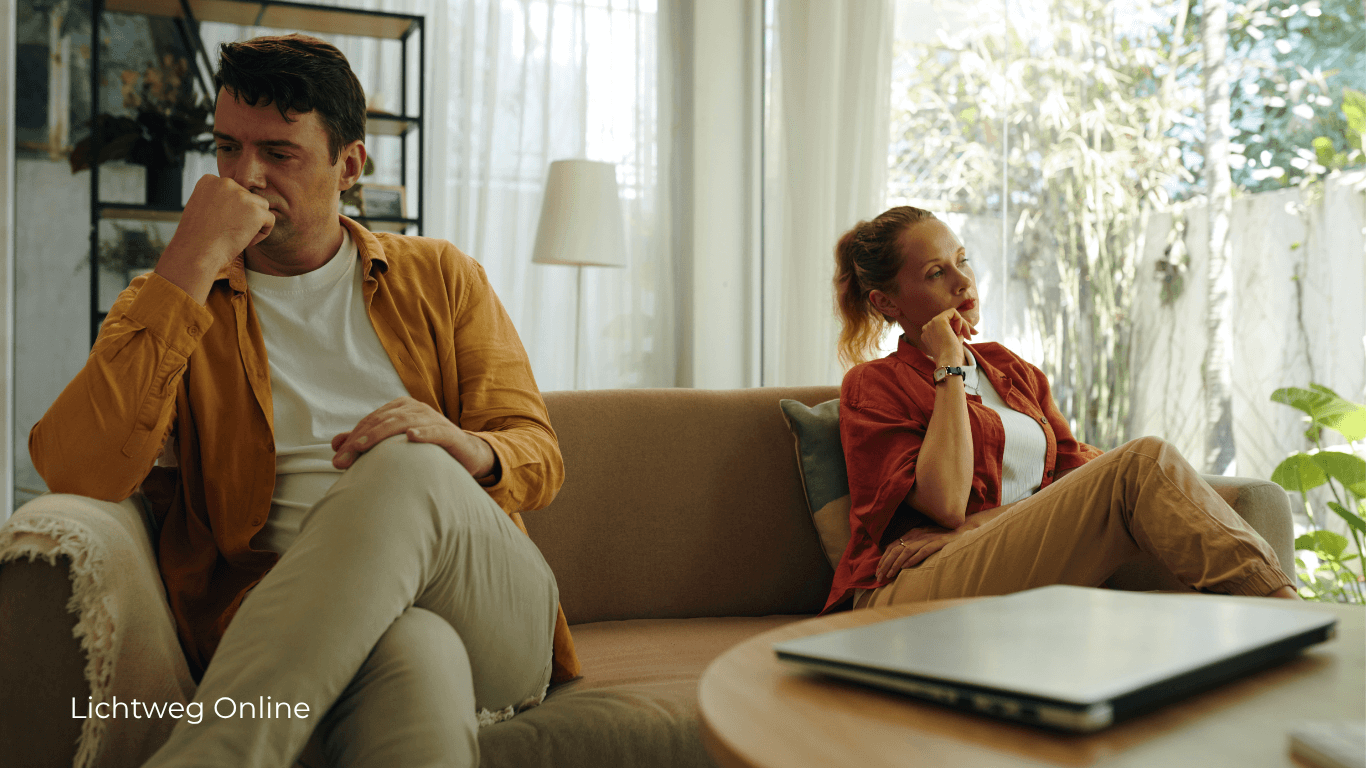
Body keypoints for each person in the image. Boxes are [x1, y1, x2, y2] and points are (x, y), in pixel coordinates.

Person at [30, 34, 579, 767]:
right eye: (227, 148)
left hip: (487, 604)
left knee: (403, 464)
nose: (244, 176)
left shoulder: (442, 277)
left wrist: (462, 446)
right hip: (289, 617)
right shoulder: (174, 303)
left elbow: (538, 454)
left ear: (348, 165)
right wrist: (189, 260)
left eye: (278, 154)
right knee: (416, 653)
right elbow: (77, 473)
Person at [825, 205, 1297, 613]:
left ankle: (1275, 625)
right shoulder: (873, 385)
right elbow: (946, 504)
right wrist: (948, 362)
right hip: (909, 584)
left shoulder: (1011, 370)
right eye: (935, 272)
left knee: (1144, 481)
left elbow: (1072, 479)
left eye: (962, 261)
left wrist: (980, 526)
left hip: (989, 553)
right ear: (886, 301)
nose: (963, 280)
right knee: (1140, 461)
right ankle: (1291, 614)